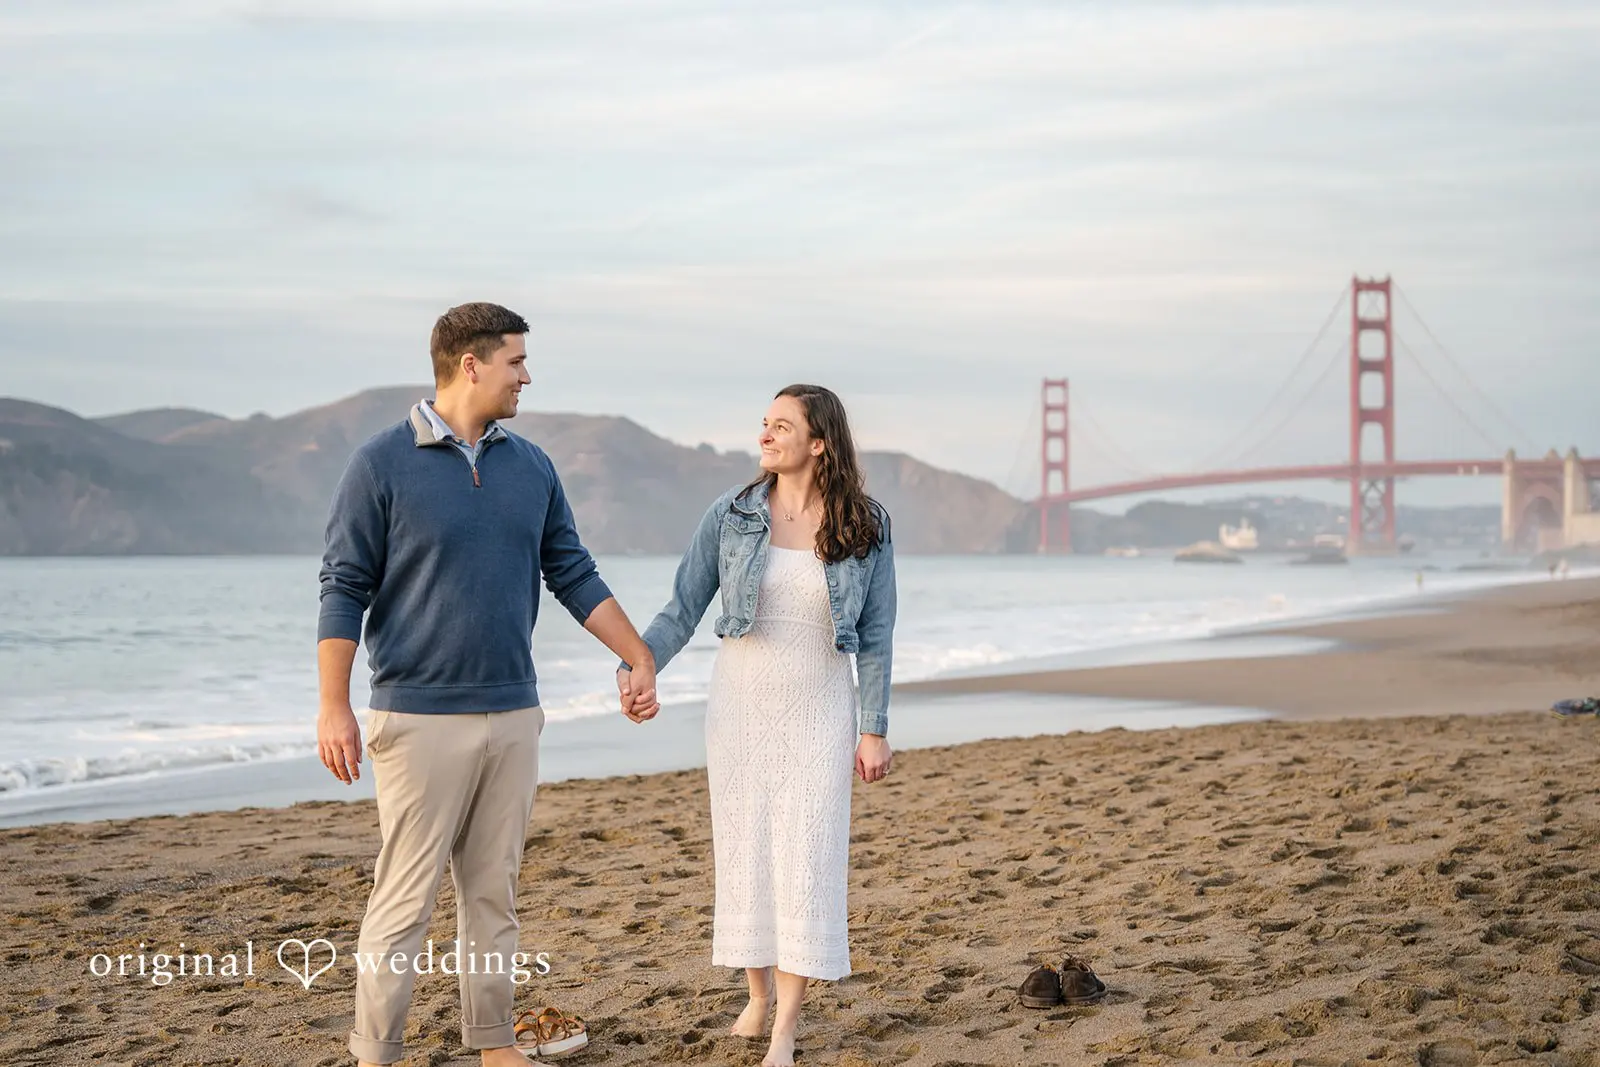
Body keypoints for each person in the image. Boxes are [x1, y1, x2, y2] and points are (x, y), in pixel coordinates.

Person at [316, 302, 660, 1067]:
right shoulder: (379, 463)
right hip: (418, 718)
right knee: (404, 900)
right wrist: (333, 705)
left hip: (513, 712)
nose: (526, 376)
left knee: (492, 894)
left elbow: (571, 570)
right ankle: (375, 1053)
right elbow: (343, 586)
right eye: (516, 361)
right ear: (470, 365)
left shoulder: (531, 465)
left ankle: (495, 1044)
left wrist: (638, 654)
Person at [618, 384, 897, 1067]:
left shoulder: (865, 524)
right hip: (741, 708)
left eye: (782, 426)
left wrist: (873, 727)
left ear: (820, 442)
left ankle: (785, 1026)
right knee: (746, 853)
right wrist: (639, 664)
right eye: (764, 424)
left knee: (808, 859)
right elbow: (682, 607)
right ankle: (756, 993)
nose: (765, 435)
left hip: (820, 709)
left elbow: (877, 634)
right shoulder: (732, 514)